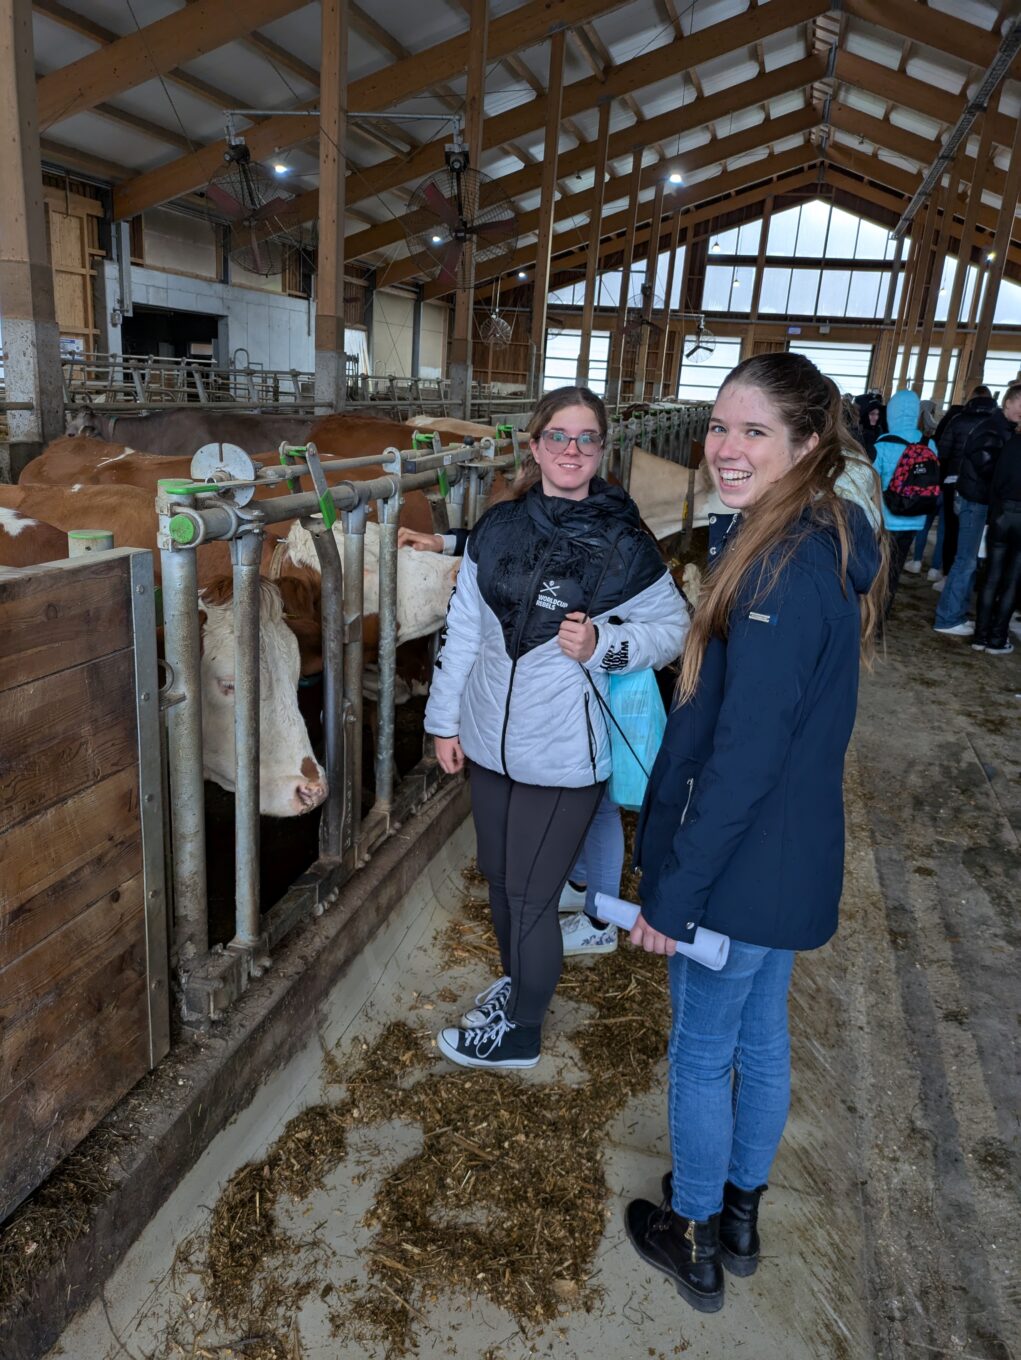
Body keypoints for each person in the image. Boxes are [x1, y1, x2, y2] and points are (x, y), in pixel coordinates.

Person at [622, 352, 886, 1314]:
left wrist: (673, 894)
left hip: (740, 863)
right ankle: (739, 1213)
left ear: (806, 444)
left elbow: (743, 756)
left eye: (753, 433)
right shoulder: (815, 537)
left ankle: (690, 1229)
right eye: (719, 428)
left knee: (701, 1048)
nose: (725, 450)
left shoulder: (778, 564)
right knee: (759, 1035)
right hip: (788, 860)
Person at [423, 385, 689, 1070]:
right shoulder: (499, 527)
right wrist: (443, 722)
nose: (571, 450)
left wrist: (603, 643)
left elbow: (673, 629)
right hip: (486, 742)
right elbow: (465, 630)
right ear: (535, 445)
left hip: (564, 753)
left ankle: (520, 1034)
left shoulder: (622, 540)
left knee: (534, 898)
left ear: (601, 451)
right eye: (558, 437)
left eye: (586, 440)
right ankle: (516, 990)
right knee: (502, 879)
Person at [399, 529, 630, 960]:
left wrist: (602, 642)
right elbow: (500, 541)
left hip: (600, 689)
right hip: (573, 695)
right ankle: (580, 886)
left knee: (601, 802)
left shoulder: (609, 532)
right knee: (589, 804)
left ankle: (602, 920)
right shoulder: (549, 527)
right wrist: (445, 542)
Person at [935, 383, 1021, 638]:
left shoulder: (1001, 428)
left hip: (979, 500)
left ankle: (956, 613)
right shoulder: (994, 429)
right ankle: (947, 617)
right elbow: (986, 467)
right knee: (967, 561)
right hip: (977, 502)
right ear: (1008, 402)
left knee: (971, 561)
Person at [872, 389, 938, 616]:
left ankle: (871, 618)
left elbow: (871, 479)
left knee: (878, 569)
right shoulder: (929, 444)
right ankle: (882, 617)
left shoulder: (883, 443)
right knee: (895, 569)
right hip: (915, 517)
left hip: (887, 517)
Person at [935, 384, 998, 587]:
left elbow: (943, 451)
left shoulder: (958, 419)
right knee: (978, 536)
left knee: (950, 530)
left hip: (954, 480)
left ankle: (946, 575)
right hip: (984, 487)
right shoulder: (996, 423)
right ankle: (973, 581)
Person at [973, 428, 1021, 655]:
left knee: (991, 576)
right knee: (1012, 581)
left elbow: (995, 482)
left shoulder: (1010, 444)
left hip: (1001, 514)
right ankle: (997, 639)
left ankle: (980, 636)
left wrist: (994, 514)